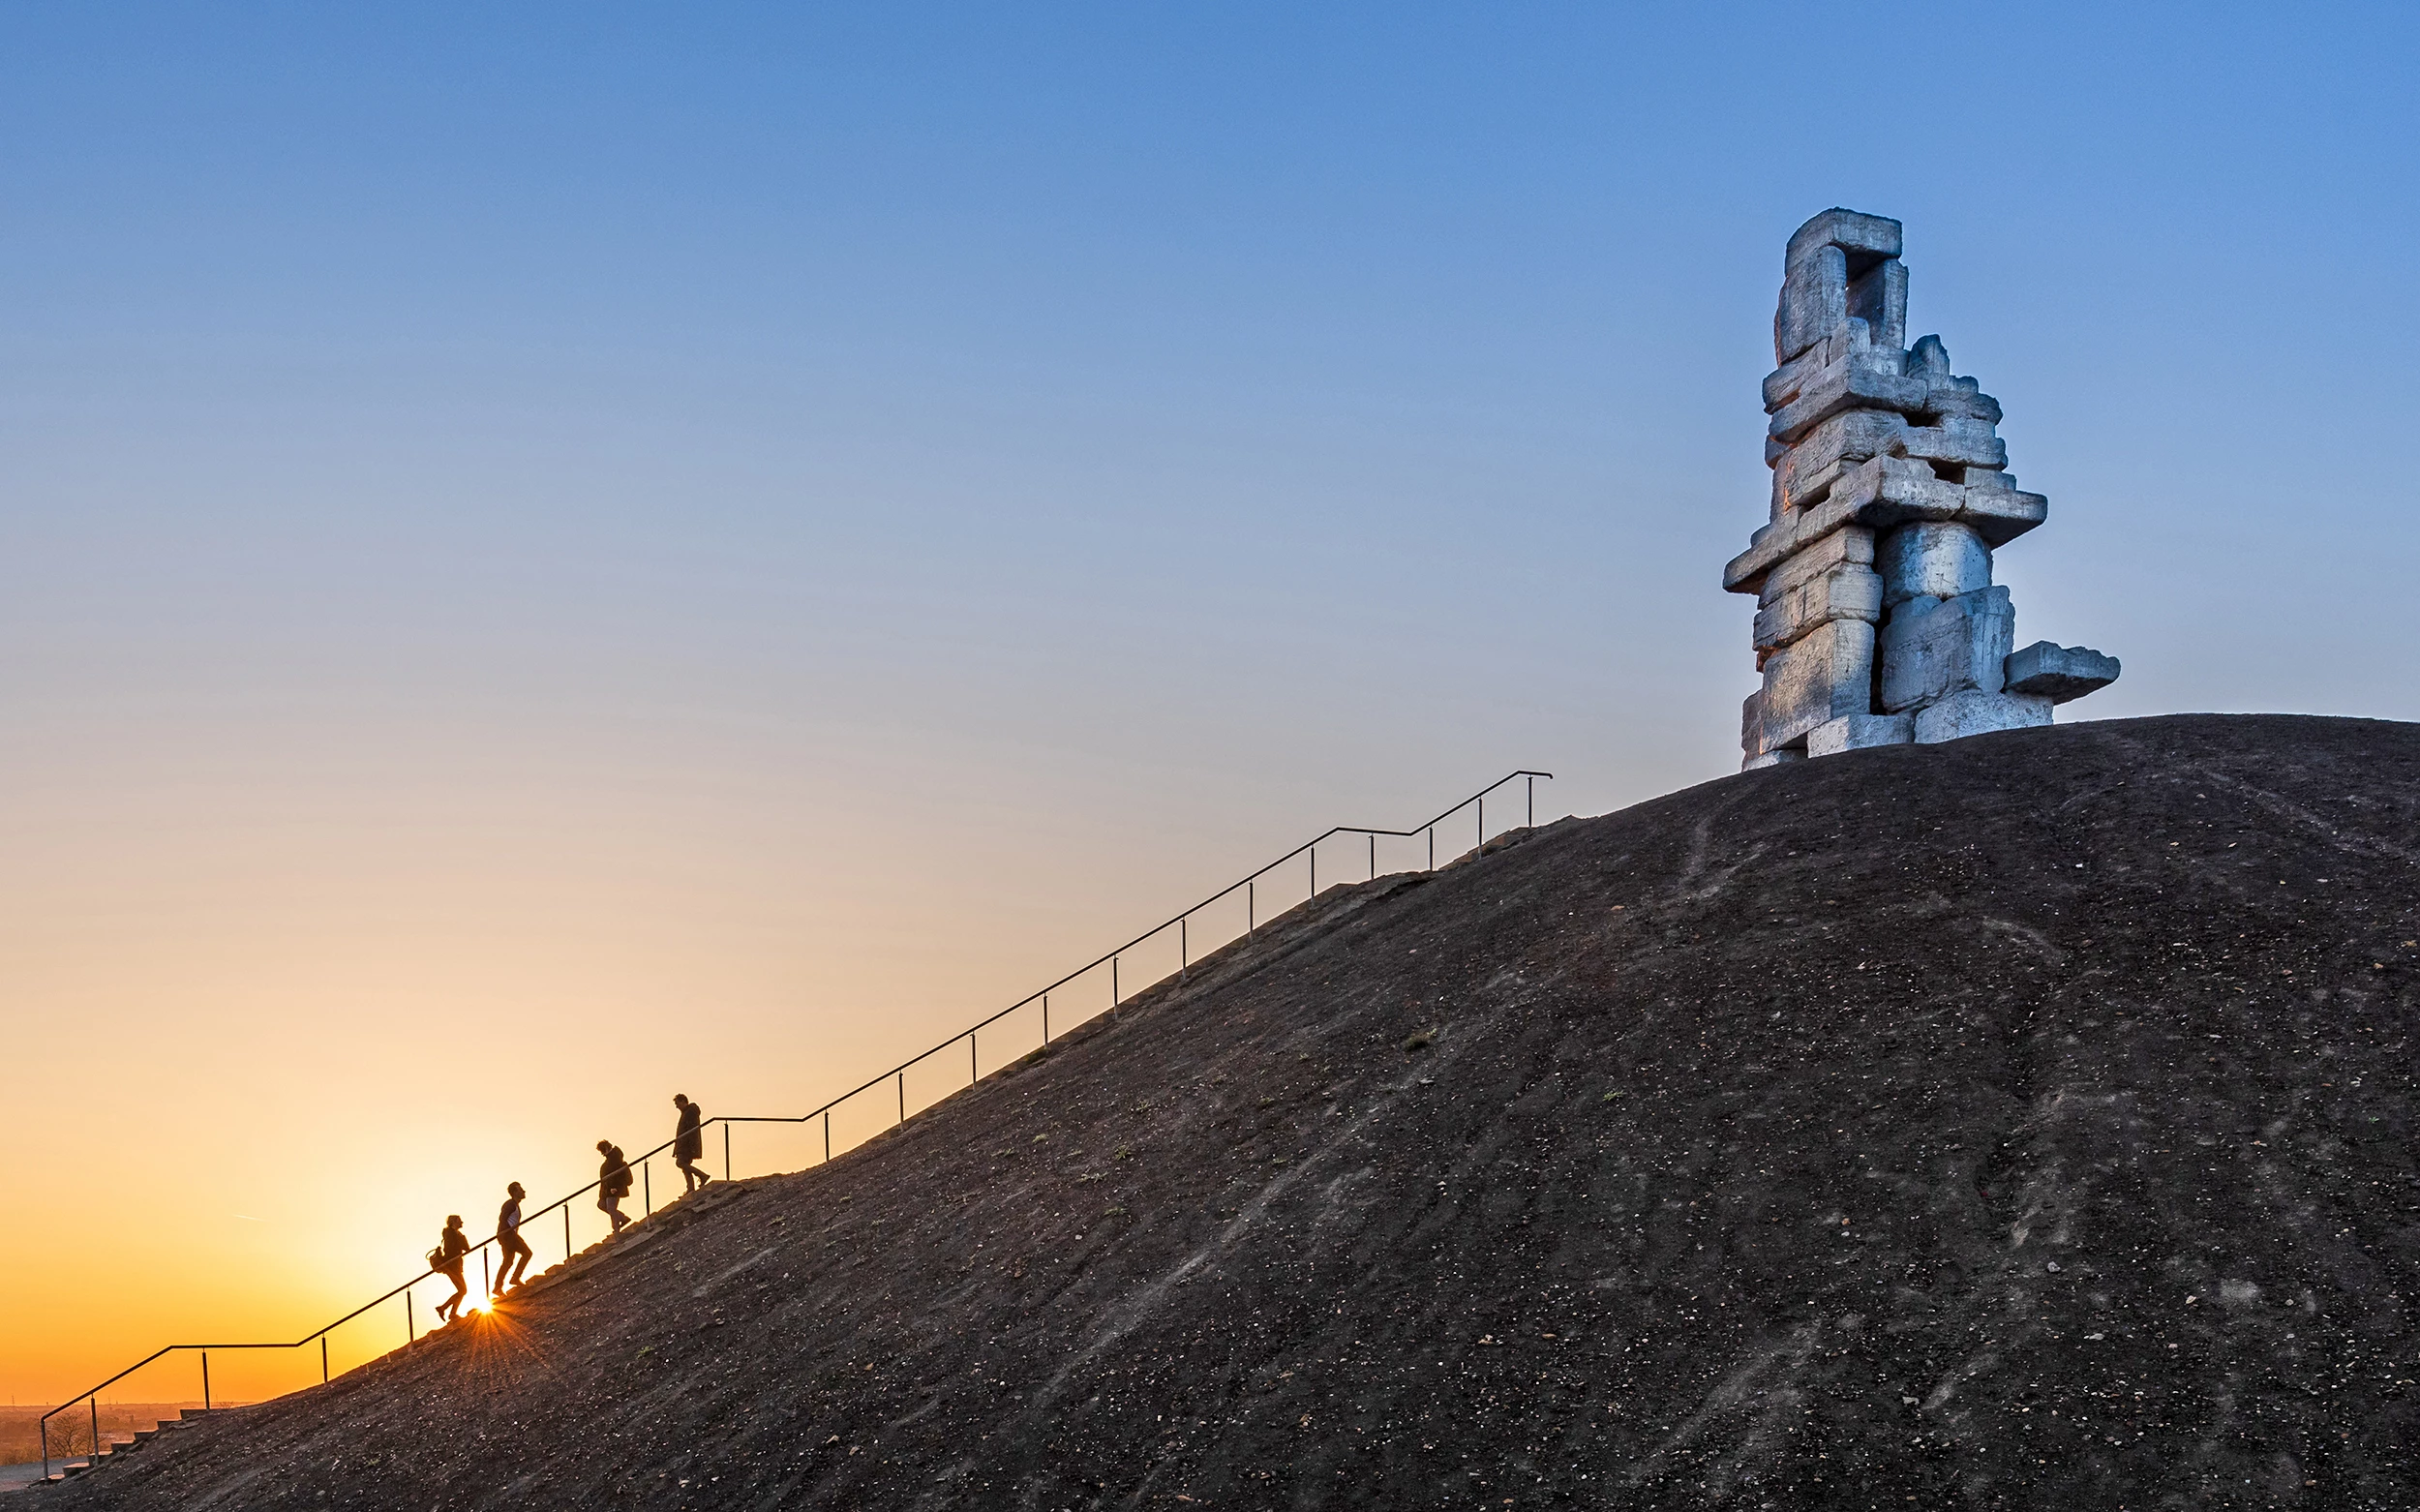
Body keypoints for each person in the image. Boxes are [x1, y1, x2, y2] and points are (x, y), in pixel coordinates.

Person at [429, 1215, 471, 1322]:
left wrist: (461, 1238)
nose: (462, 1222)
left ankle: (448, 1311)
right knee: (462, 1290)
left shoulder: (456, 1234)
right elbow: (451, 1250)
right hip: (451, 1266)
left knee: (462, 1290)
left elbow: (466, 1248)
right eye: (459, 1220)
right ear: (453, 1222)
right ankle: (447, 1310)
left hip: (455, 1265)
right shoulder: (449, 1233)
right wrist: (460, 1239)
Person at [496, 1182, 533, 1291]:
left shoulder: (515, 1205)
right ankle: (515, 1278)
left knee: (508, 1261)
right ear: (515, 1192)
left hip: (507, 1235)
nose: (523, 1191)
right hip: (508, 1235)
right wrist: (506, 1234)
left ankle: (498, 1287)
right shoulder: (510, 1204)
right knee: (527, 1253)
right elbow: (502, 1219)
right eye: (520, 1190)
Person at [673, 1093, 711, 1194]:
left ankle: (702, 1176)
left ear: (682, 1101)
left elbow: (690, 1130)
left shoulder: (690, 1112)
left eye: (677, 1104)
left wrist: (686, 1145)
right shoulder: (686, 1112)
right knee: (685, 1166)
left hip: (686, 1145)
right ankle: (690, 1188)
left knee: (680, 1163)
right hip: (684, 1144)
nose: (677, 1107)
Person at [596, 1139, 632, 1232]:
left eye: (603, 1151)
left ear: (607, 1148)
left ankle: (616, 1230)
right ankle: (623, 1218)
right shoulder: (610, 1160)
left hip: (615, 1188)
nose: (603, 1154)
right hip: (608, 1189)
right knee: (602, 1204)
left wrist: (614, 1188)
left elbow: (618, 1175)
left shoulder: (615, 1158)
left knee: (611, 1208)